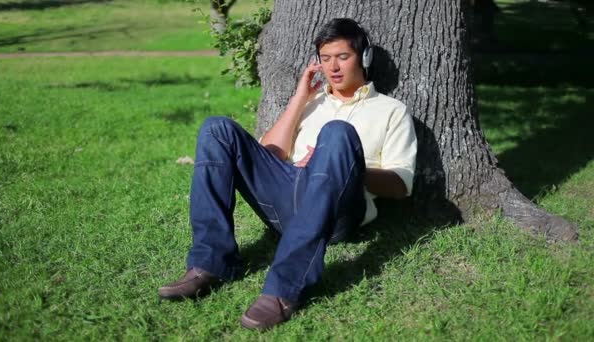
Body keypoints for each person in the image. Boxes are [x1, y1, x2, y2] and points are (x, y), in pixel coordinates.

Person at [158, 18, 417, 330]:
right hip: (287, 195)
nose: (333, 67)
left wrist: (344, 166)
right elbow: (268, 157)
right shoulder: (313, 102)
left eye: (343, 57)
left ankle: (283, 290)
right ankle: (210, 263)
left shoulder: (391, 110)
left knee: (337, 134)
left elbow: (401, 186)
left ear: (363, 58)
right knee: (217, 129)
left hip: (335, 211)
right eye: (325, 58)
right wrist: (300, 98)